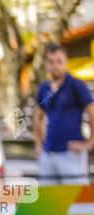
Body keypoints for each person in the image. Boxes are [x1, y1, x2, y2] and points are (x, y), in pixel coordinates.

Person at [34, 43, 94, 184]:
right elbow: (38, 114)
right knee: (50, 201)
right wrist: (38, 142)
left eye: (59, 61)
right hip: (48, 154)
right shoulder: (44, 88)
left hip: (71, 153)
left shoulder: (76, 85)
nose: (55, 65)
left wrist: (90, 143)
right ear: (46, 64)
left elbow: (92, 110)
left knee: (76, 201)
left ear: (66, 62)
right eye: (51, 61)